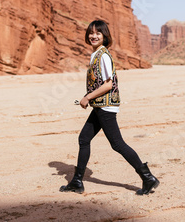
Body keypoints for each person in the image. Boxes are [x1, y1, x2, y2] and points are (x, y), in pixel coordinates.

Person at [59, 20, 159, 195]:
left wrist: (87, 97)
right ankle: (76, 181)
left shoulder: (103, 55)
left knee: (117, 144)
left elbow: (107, 84)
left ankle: (148, 178)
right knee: (84, 139)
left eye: (98, 33)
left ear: (105, 36)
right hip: (100, 106)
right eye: (91, 32)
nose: (94, 35)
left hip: (106, 107)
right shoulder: (96, 54)